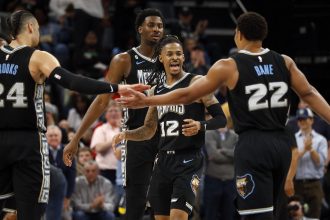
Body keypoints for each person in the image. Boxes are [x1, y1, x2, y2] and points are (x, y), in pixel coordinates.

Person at [116, 12, 330, 219]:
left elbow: (188, 95)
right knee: (277, 214)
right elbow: (309, 93)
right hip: (282, 143)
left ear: (238, 34)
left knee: (256, 215)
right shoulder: (284, 61)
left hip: (252, 145)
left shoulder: (229, 65)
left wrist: (146, 100)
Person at [0, 10, 147, 220]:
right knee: (30, 212)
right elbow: (72, 81)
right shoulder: (37, 57)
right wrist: (115, 87)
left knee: (8, 209)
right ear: (31, 27)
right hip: (28, 143)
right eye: (38, 29)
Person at [63, 8, 165, 220]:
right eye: (151, 25)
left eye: (160, 26)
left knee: (163, 207)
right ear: (140, 29)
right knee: (135, 206)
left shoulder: (169, 58)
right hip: (136, 139)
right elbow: (102, 100)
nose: (156, 29)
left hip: (166, 138)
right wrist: (76, 137)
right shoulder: (124, 60)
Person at [111, 35, 227, 220]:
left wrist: (201, 125)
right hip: (163, 162)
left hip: (189, 160)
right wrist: (126, 134)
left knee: (178, 217)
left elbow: (221, 119)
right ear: (161, 58)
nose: (175, 57)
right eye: (170, 54)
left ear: (183, 58)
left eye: (179, 54)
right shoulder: (156, 91)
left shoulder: (196, 83)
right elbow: (149, 129)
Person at [294, 108, 327, 219]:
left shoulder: (321, 139)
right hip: (297, 184)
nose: (302, 122)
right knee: (296, 216)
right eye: (299, 120)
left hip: (315, 184)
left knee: (314, 216)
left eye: (304, 119)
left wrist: (311, 149)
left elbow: (321, 163)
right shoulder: (293, 139)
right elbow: (292, 161)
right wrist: (304, 149)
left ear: (311, 120)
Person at [90, 101, 122, 184]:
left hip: (124, 170)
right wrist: (118, 138)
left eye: (116, 111)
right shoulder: (100, 129)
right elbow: (99, 148)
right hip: (105, 171)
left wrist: (123, 129)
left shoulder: (128, 128)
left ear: (121, 113)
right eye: (110, 111)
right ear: (105, 115)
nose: (113, 113)